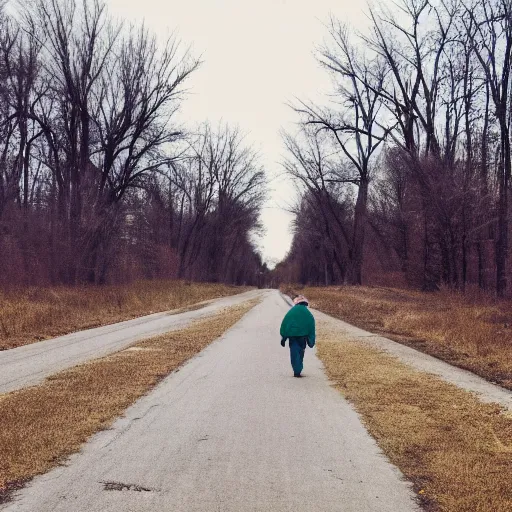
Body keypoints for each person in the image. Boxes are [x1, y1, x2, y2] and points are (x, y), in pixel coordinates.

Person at [280, 295, 316, 377]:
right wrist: (311, 340)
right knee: (300, 352)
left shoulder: (291, 312)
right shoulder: (308, 313)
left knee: (294, 353)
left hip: (292, 336)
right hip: (302, 337)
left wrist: (284, 337)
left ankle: (296, 369)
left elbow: (285, 324)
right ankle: (298, 369)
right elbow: (311, 327)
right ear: (305, 303)